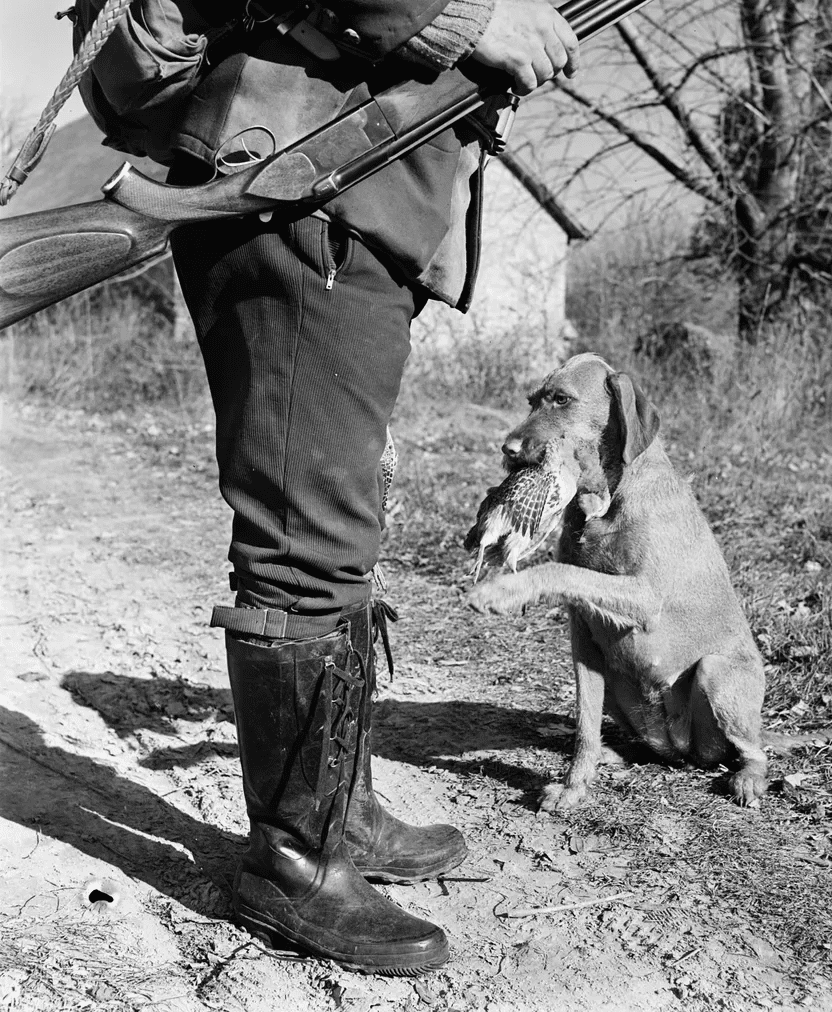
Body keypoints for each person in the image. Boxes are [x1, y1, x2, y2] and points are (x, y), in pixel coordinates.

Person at [161, 0, 579, 977]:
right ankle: (290, 862)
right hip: (302, 177)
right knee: (302, 537)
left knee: (336, 526)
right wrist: (466, 18)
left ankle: (334, 812)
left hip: (350, 187)